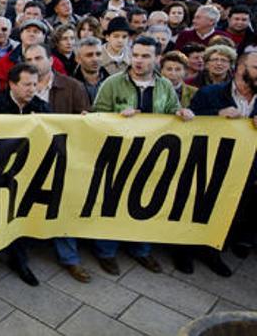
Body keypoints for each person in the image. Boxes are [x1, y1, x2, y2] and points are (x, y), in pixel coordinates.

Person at [92, 36, 194, 275]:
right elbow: (96, 117)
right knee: (111, 202)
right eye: (135, 55)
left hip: (152, 158)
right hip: (119, 155)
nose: (138, 60)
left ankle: (141, 250)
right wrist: (117, 118)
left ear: (156, 58)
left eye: (145, 56)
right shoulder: (112, 83)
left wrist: (182, 113)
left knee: (146, 203)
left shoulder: (165, 86)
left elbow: (171, 111)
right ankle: (106, 252)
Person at [0, 63, 47, 286]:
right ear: (12, 85)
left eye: (35, 84)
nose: (31, 89)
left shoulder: (43, 108)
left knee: (20, 217)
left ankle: (19, 260)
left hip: (25, 175)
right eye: (26, 84)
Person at [190, 51, 257, 260]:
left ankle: (214, 252)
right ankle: (185, 251)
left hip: (246, 171)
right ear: (239, 69)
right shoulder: (209, 93)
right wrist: (216, 116)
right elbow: (189, 125)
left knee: (231, 213)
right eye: (256, 67)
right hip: (209, 165)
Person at [72, 37, 110, 103]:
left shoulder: (111, 82)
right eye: (89, 55)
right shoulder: (70, 85)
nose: (95, 59)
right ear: (78, 59)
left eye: (98, 54)